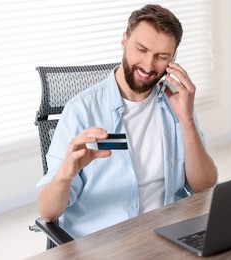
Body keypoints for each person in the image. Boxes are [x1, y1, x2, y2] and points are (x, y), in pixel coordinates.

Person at [36, 4, 217, 239]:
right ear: (124, 41)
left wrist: (187, 118)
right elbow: (47, 211)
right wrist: (65, 174)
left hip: (169, 235)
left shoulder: (176, 102)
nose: (148, 65)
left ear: (173, 60)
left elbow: (204, 185)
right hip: (107, 243)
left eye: (161, 57)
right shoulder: (81, 110)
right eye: (141, 49)